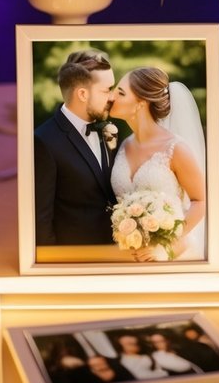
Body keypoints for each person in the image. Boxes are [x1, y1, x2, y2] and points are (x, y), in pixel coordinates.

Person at [108, 67, 206, 261]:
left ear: (140, 103)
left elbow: (201, 201)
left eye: (120, 92)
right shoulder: (123, 145)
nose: (111, 97)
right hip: (130, 257)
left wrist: (166, 245)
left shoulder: (175, 148)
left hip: (174, 255)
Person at [34, 49, 116, 247]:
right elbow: (40, 219)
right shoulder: (43, 141)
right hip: (74, 258)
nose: (113, 97)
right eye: (106, 90)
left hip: (114, 251)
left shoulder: (106, 127)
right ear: (82, 94)